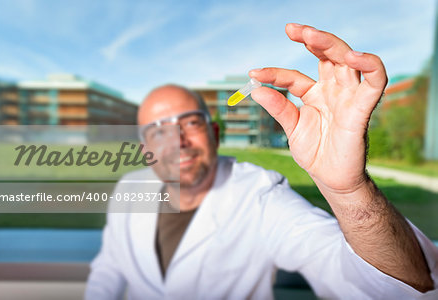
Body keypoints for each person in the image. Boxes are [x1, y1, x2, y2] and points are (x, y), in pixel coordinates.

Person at [85, 23, 438, 299]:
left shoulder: (260, 196)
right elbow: (110, 268)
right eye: (157, 131)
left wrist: (349, 191)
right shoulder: (130, 189)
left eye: (190, 123)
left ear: (215, 134)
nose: (176, 141)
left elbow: (386, 287)